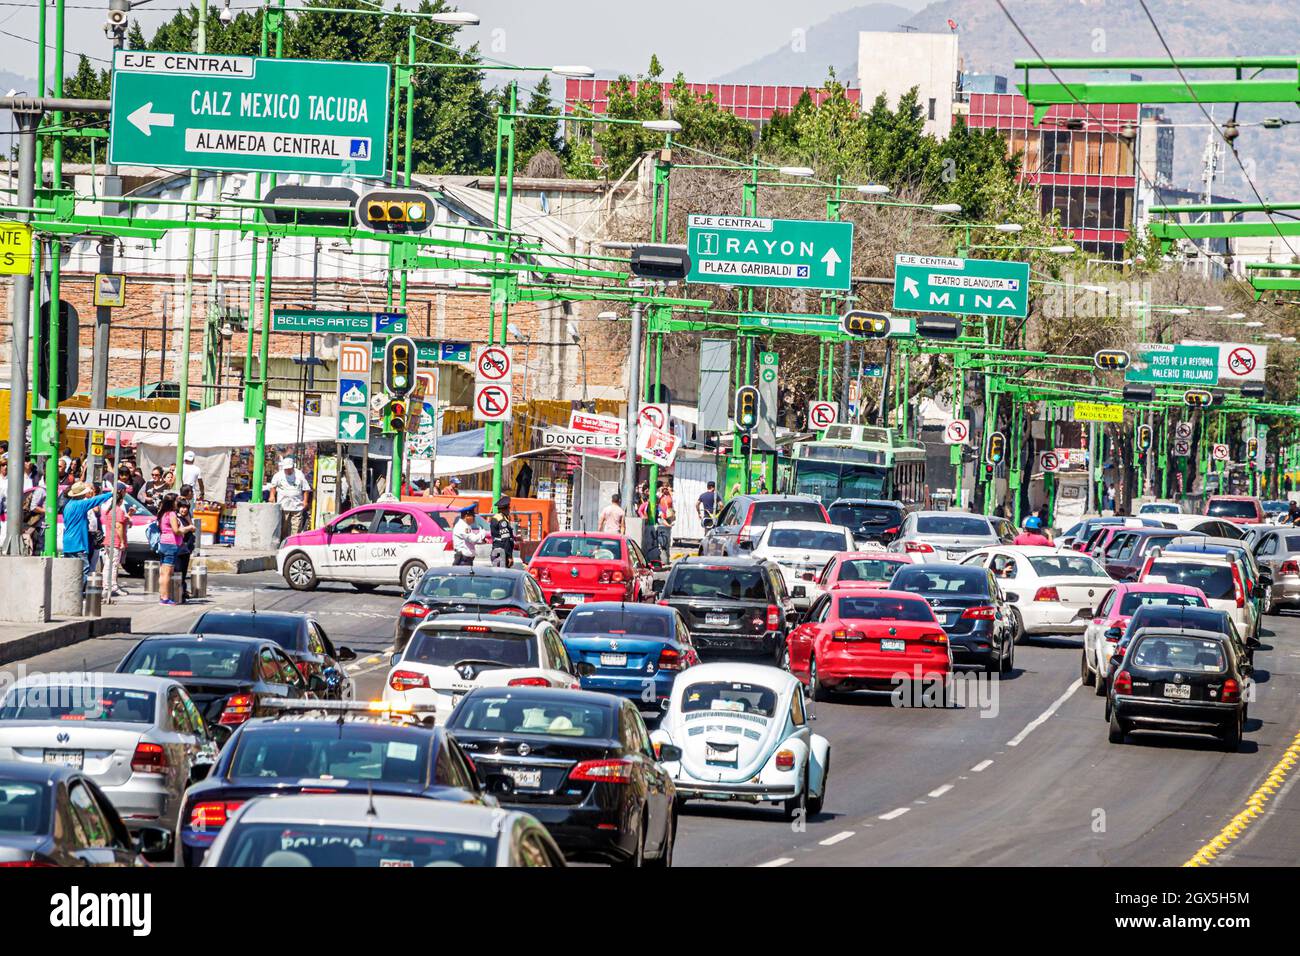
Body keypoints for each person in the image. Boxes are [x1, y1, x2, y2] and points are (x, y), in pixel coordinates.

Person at [60, 482, 114, 589]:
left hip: (68, 543)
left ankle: (69, 590)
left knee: (71, 570)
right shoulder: (81, 504)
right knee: (84, 568)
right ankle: (77, 592)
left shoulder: (68, 505)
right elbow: (95, 500)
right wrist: (111, 494)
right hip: (78, 543)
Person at [156, 493, 193, 606]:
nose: (178, 503)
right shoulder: (171, 514)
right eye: (176, 501)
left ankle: (162, 595)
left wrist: (180, 497)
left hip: (163, 543)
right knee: (167, 573)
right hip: (171, 545)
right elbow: (176, 531)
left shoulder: (162, 513)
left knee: (163, 572)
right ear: (172, 503)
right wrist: (188, 528)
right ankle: (165, 598)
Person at [99, 482, 132, 597]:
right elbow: (118, 526)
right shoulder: (118, 511)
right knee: (113, 565)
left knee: (108, 564)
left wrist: (128, 516)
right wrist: (122, 541)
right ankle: (112, 586)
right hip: (115, 541)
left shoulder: (110, 510)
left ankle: (106, 586)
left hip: (108, 540)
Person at [269, 457, 312, 539]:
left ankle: (293, 542)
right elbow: (273, 487)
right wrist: (272, 496)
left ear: (293, 467)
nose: (288, 470)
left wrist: (305, 501)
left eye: (289, 468)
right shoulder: (278, 475)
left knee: (296, 528)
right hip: (283, 506)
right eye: (286, 469)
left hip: (297, 506)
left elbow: (306, 489)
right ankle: (283, 542)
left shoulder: (299, 474)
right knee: (283, 527)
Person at [175, 494, 197, 603]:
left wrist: (189, 520)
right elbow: (180, 531)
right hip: (179, 550)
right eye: (182, 507)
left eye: (186, 508)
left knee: (183, 573)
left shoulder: (185, 518)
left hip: (186, 550)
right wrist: (189, 527)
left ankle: (182, 592)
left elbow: (193, 529)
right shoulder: (177, 519)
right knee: (178, 572)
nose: (184, 510)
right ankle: (178, 593)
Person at [489, 497, 516, 568]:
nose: (509, 510)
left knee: (497, 575)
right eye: (508, 508)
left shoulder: (496, 517)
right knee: (502, 575)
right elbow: (505, 539)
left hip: (497, 550)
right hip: (502, 552)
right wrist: (509, 556)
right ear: (505, 509)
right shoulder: (502, 521)